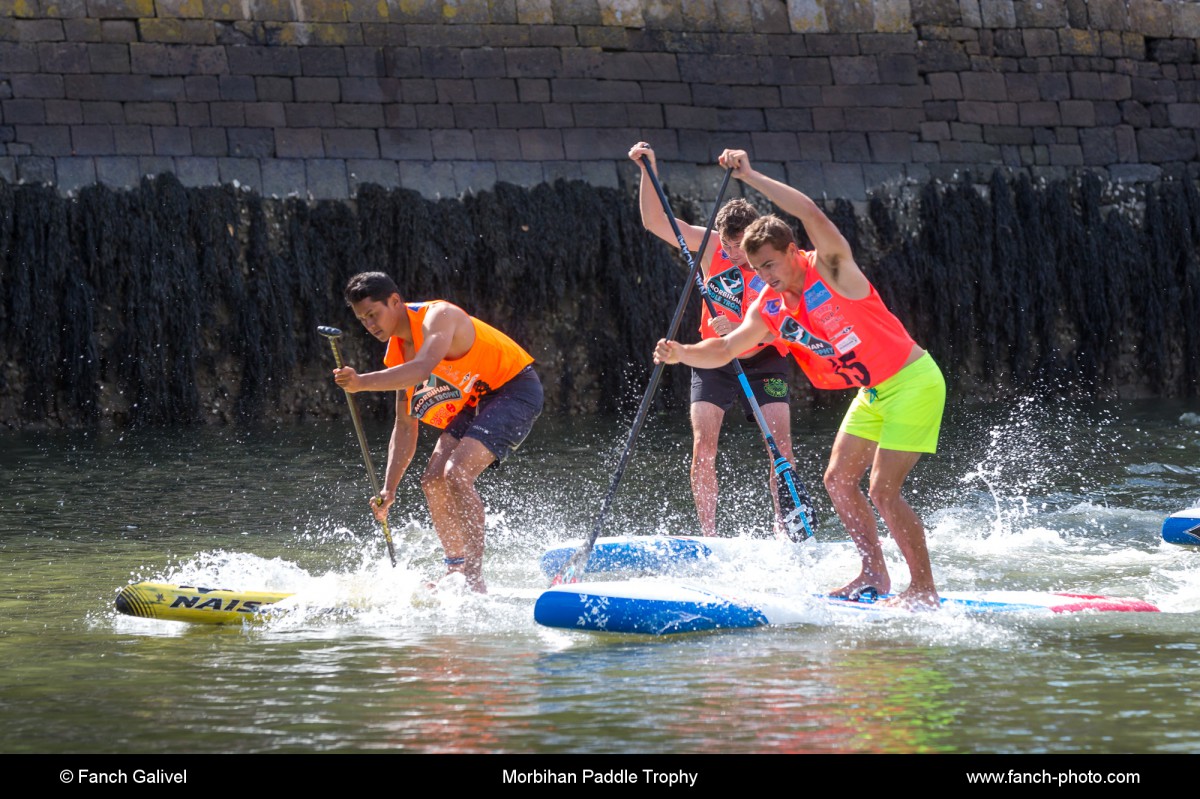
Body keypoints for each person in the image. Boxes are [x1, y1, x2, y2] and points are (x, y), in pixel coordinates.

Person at [653, 149, 947, 609]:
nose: (765, 276)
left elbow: (807, 211)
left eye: (771, 265)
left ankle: (924, 590)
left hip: (912, 381)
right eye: (757, 269)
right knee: (837, 481)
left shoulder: (831, 267)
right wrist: (681, 353)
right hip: (873, 392)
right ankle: (874, 575)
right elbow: (727, 348)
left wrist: (750, 176)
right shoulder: (769, 305)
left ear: (792, 251)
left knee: (882, 491)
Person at [332, 272, 543, 593]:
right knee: (432, 479)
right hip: (479, 397)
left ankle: (474, 579)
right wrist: (388, 489)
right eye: (362, 320)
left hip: (516, 388)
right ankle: (455, 569)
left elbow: (422, 368)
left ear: (394, 301)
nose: (370, 325)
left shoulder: (438, 316)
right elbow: (405, 423)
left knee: (456, 473)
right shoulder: (397, 351)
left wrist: (361, 382)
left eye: (373, 314)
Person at [629, 141, 797, 538]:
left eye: (740, 247)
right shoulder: (709, 246)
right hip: (713, 359)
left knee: (781, 451)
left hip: (764, 358)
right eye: (727, 244)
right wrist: (647, 169)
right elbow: (656, 222)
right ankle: (709, 536)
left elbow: (780, 317)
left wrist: (736, 334)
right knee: (703, 449)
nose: (733, 252)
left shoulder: (774, 261)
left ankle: (785, 531)